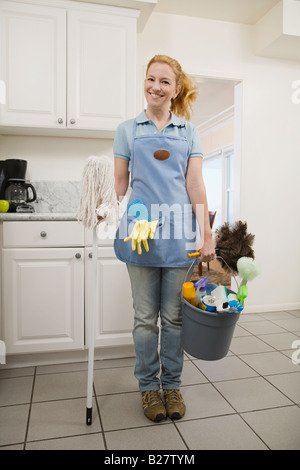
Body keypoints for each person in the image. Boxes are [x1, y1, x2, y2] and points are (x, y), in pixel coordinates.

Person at [113, 55, 215, 422]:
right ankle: (148, 390)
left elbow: (195, 184)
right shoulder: (127, 129)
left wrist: (206, 233)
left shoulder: (188, 132)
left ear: (175, 89)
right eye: (150, 79)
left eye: (164, 82)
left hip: (178, 236)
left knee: (173, 318)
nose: (155, 87)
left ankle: (171, 386)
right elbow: (120, 187)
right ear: (145, 82)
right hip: (140, 233)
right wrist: (101, 205)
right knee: (144, 318)